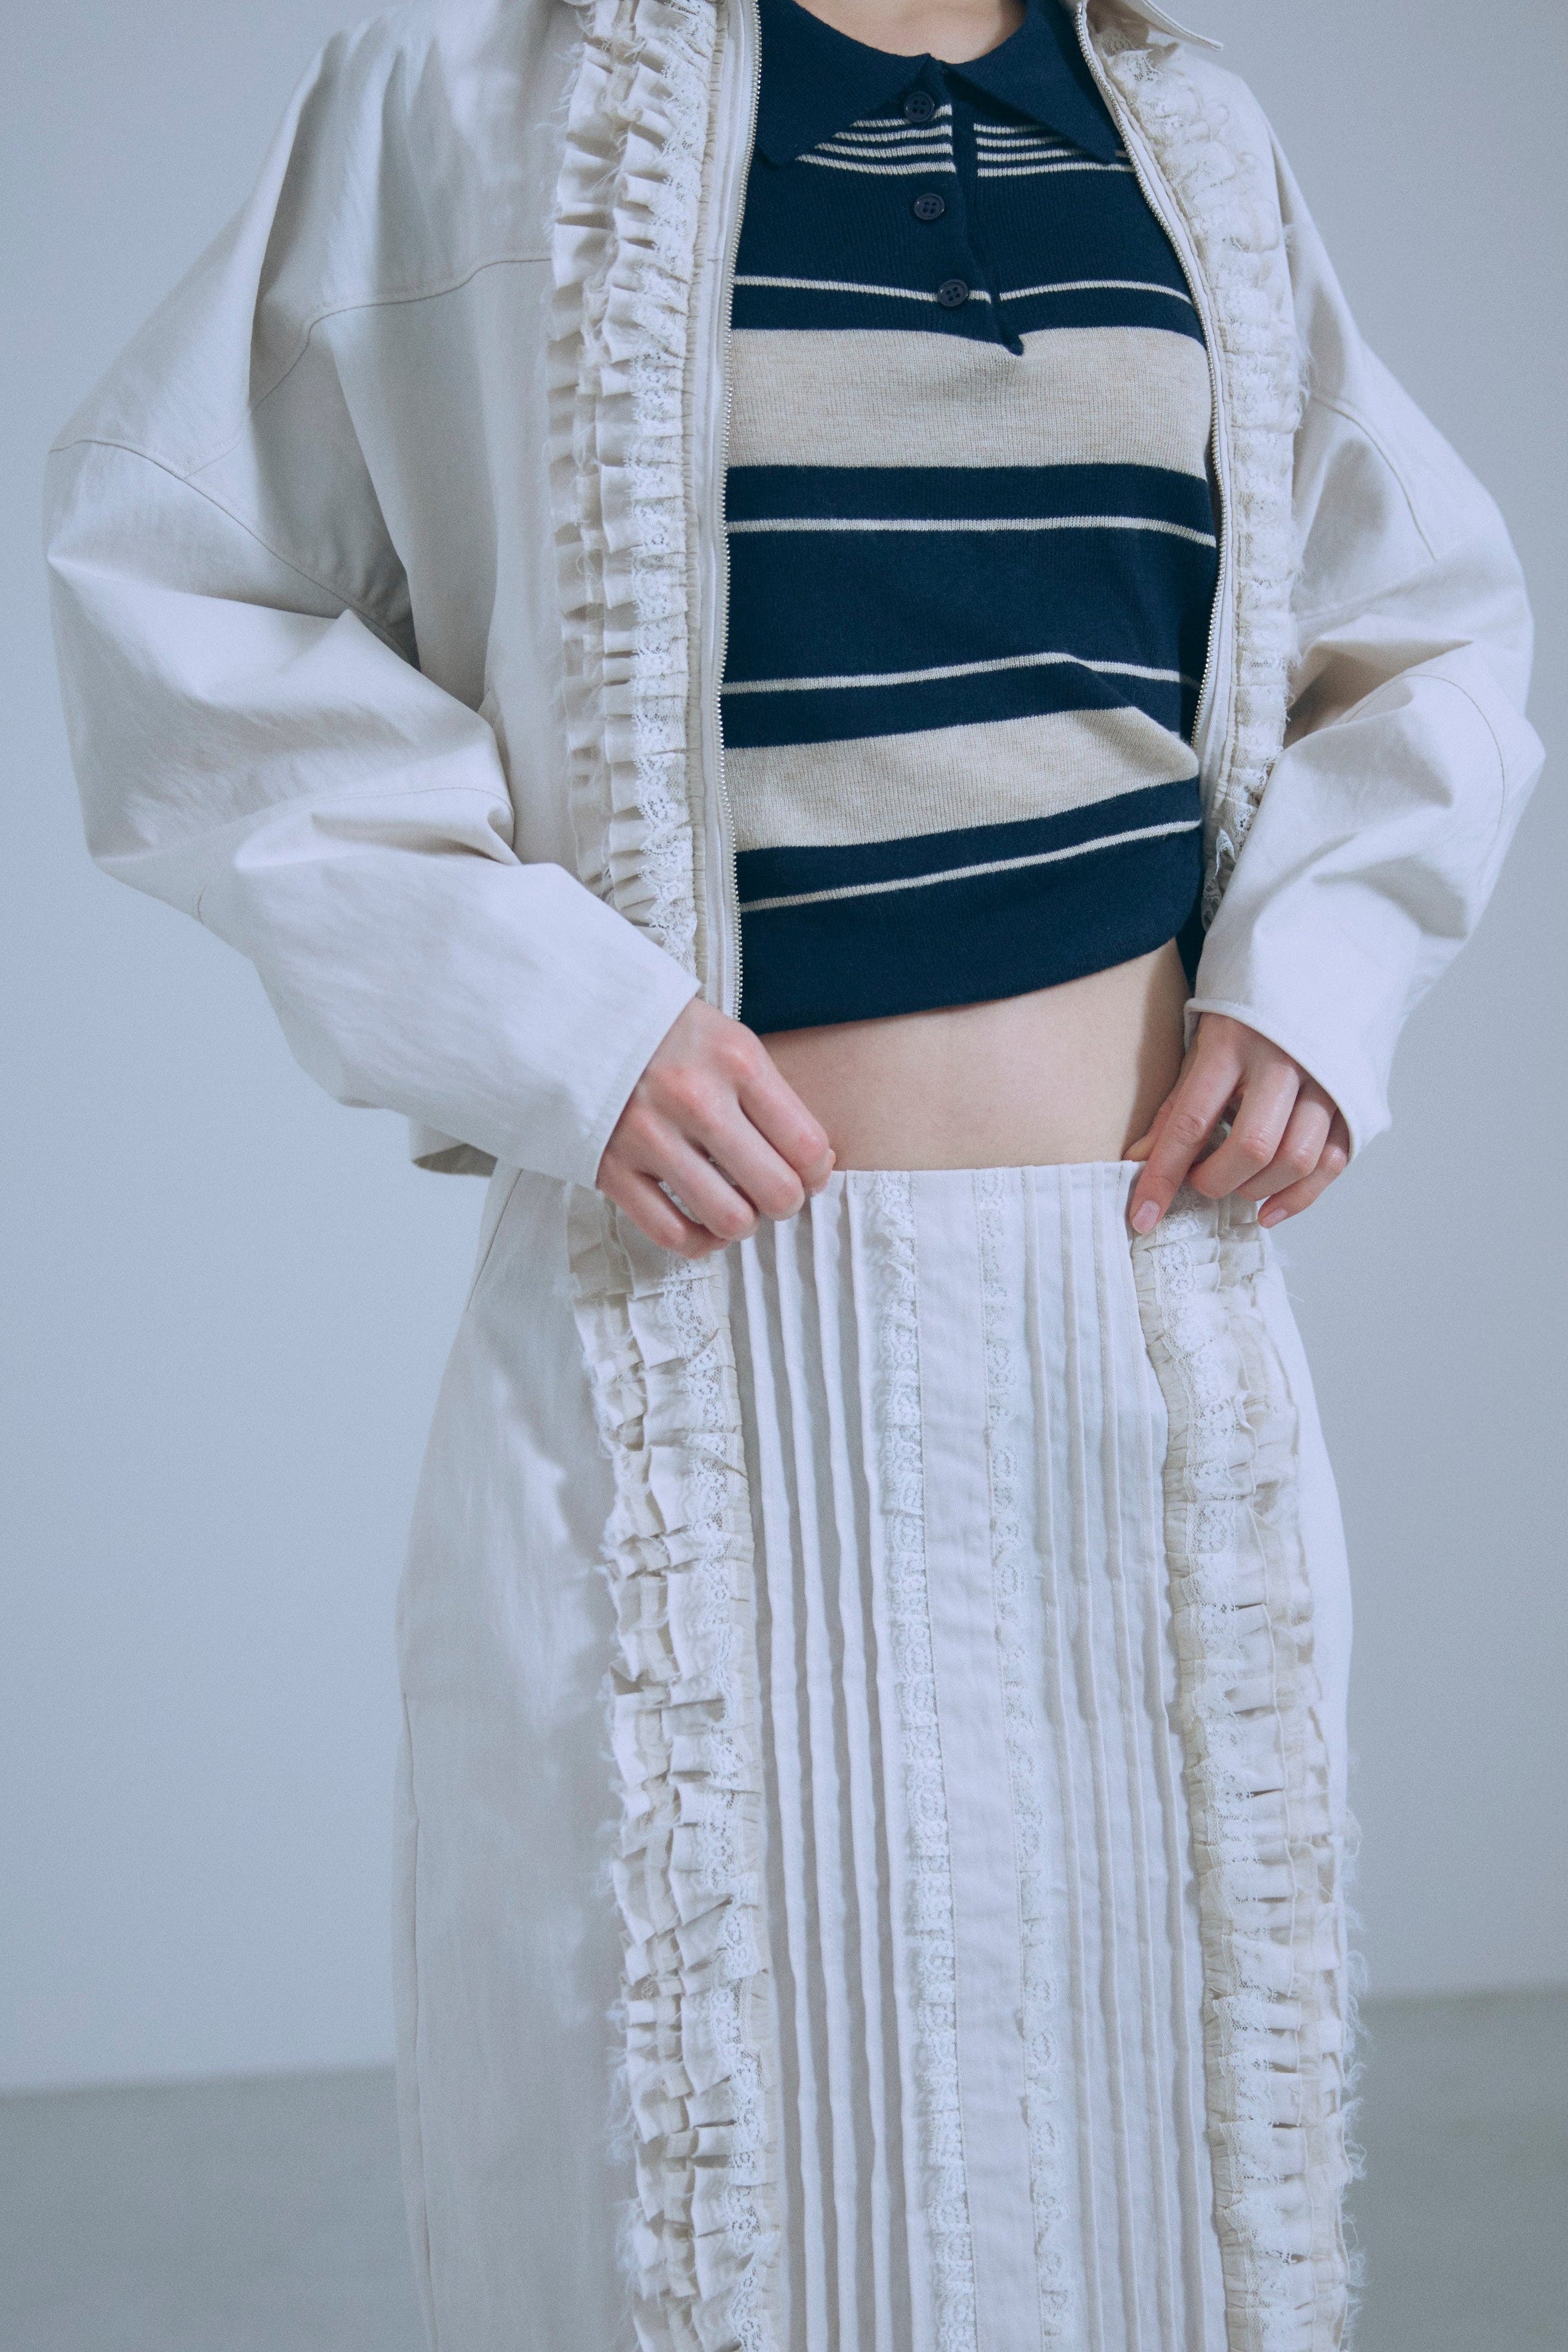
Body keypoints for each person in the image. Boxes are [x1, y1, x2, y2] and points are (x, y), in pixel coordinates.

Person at [46, 0, 1539, 2343]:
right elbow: (172, 578)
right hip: (696, 1356)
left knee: (1154, 2200)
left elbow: (1422, 621)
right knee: (715, 2215)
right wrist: (548, 1015)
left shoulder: (1183, 131)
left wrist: (1317, 983)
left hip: (1140, 1344)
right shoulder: (467, 93)